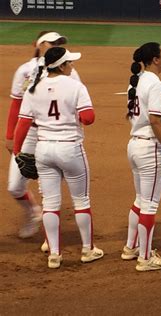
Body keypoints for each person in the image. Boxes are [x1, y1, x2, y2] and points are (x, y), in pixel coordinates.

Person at [13, 47, 104, 269]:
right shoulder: (76, 86)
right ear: (62, 66)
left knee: (50, 204)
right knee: (81, 201)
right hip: (70, 149)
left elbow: (22, 123)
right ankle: (87, 249)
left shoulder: (34, 89)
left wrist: (17, 153)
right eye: (70, 62)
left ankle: (54, 255)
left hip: (43, 150)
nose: (72, 65)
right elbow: (89, 118)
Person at [5, 31, 79, 239]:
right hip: (29, 133)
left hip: (55, 134)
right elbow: (16, 103)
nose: (57, 45)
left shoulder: (69, 71)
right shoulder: (25, 71)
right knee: (14, 187)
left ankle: (51, 238)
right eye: (52, 42)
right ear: (38, 45)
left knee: (52, 187)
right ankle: (32, 212)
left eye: (60, 43)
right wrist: (11, 135)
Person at [121, 42, 161, 272]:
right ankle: (145, 258)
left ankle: (131, 247)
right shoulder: (155, 85)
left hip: (135, 145)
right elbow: (155, 121)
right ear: (155, 59)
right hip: (150, 149)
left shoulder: (137, 81)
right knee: (150, 205)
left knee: (140, 200)